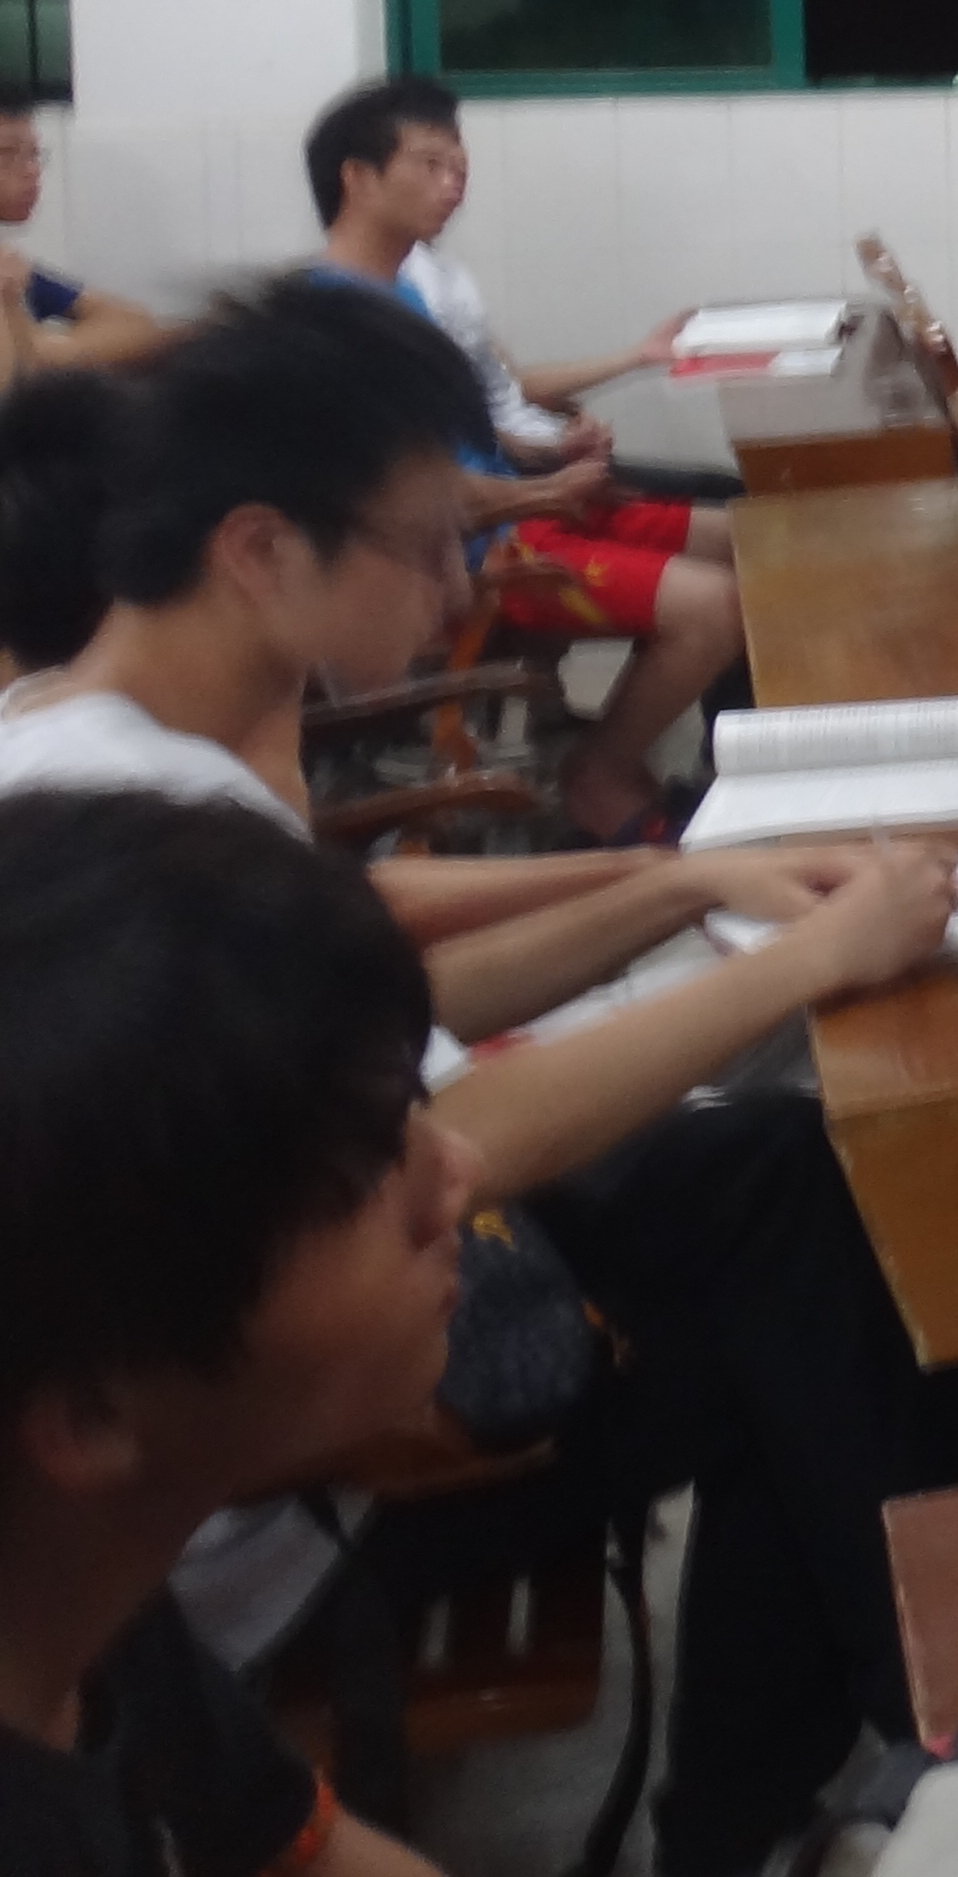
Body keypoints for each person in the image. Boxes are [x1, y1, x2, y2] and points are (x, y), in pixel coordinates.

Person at [0, 281, 958, 1877]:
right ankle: (931, 1750)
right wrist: (800, 961)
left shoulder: (103, 747)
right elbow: (440, 1142)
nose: (461, 586)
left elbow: (381, 1004)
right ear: (260, 550)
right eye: (428, 544)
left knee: (787, 1217)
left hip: (290, 1367)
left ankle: (852, 1775)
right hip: (283, 1485)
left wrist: (679, 885)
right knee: (801, 1267)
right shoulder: (129, 817)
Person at [0, 787, 472, 1877]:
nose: (458, 1173)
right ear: (89, 1412)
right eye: (368, 1171)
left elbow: (303, 1849)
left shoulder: (80, 1594)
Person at [301, 74, 743, 841]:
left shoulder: (405, 296)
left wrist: (551, 460)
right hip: (469, 555)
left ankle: (737, 764)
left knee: (750, 540)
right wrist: (541, 495)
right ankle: (600, 775)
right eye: (430, 165)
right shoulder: (339, 316)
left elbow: (476, 433)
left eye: (459, 169)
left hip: (512, 514)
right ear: (358, 177)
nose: (453, 186)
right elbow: (397, 494)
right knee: (714, 606)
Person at [0, 88, 163, 376]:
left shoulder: (10, 266)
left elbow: (136, 325)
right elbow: (21, 372)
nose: (31, 171)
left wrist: (48, 349)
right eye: (7, 154)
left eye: (34, 155)